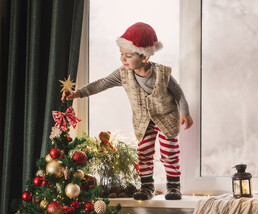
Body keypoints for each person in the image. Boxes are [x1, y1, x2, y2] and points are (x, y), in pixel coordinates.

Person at [62, 22, 193, 200]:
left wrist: (185, 113)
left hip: (166, 119)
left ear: (145, 57)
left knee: (169, 153)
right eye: (122, 54)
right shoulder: (123, 74)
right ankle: (147, 187)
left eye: (128, 55)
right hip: (143, 121)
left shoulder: (162, 74)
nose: (123, 59)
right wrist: (78, 93)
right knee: (143, 153)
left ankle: (173, 186)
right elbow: (101, 83)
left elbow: (178, 93)